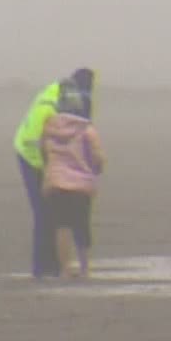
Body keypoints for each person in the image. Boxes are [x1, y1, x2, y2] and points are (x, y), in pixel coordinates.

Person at [13, 68, 94, 278]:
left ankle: (56, 264)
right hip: (31, 157)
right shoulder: (49, 108)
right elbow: (42, 144)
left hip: (49, 160)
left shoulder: (66, 97)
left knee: (54, 212)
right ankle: (43, 267)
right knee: (43, 211)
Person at [39, 82, 106, 280]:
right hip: (81, 185)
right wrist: (97, 169)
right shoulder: (86, 130)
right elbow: (97, 157)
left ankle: (66, 268)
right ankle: (85, 268)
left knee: (61, 226)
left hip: (56, 183)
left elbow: (43, 153)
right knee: (81, 227)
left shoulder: (48, 128)